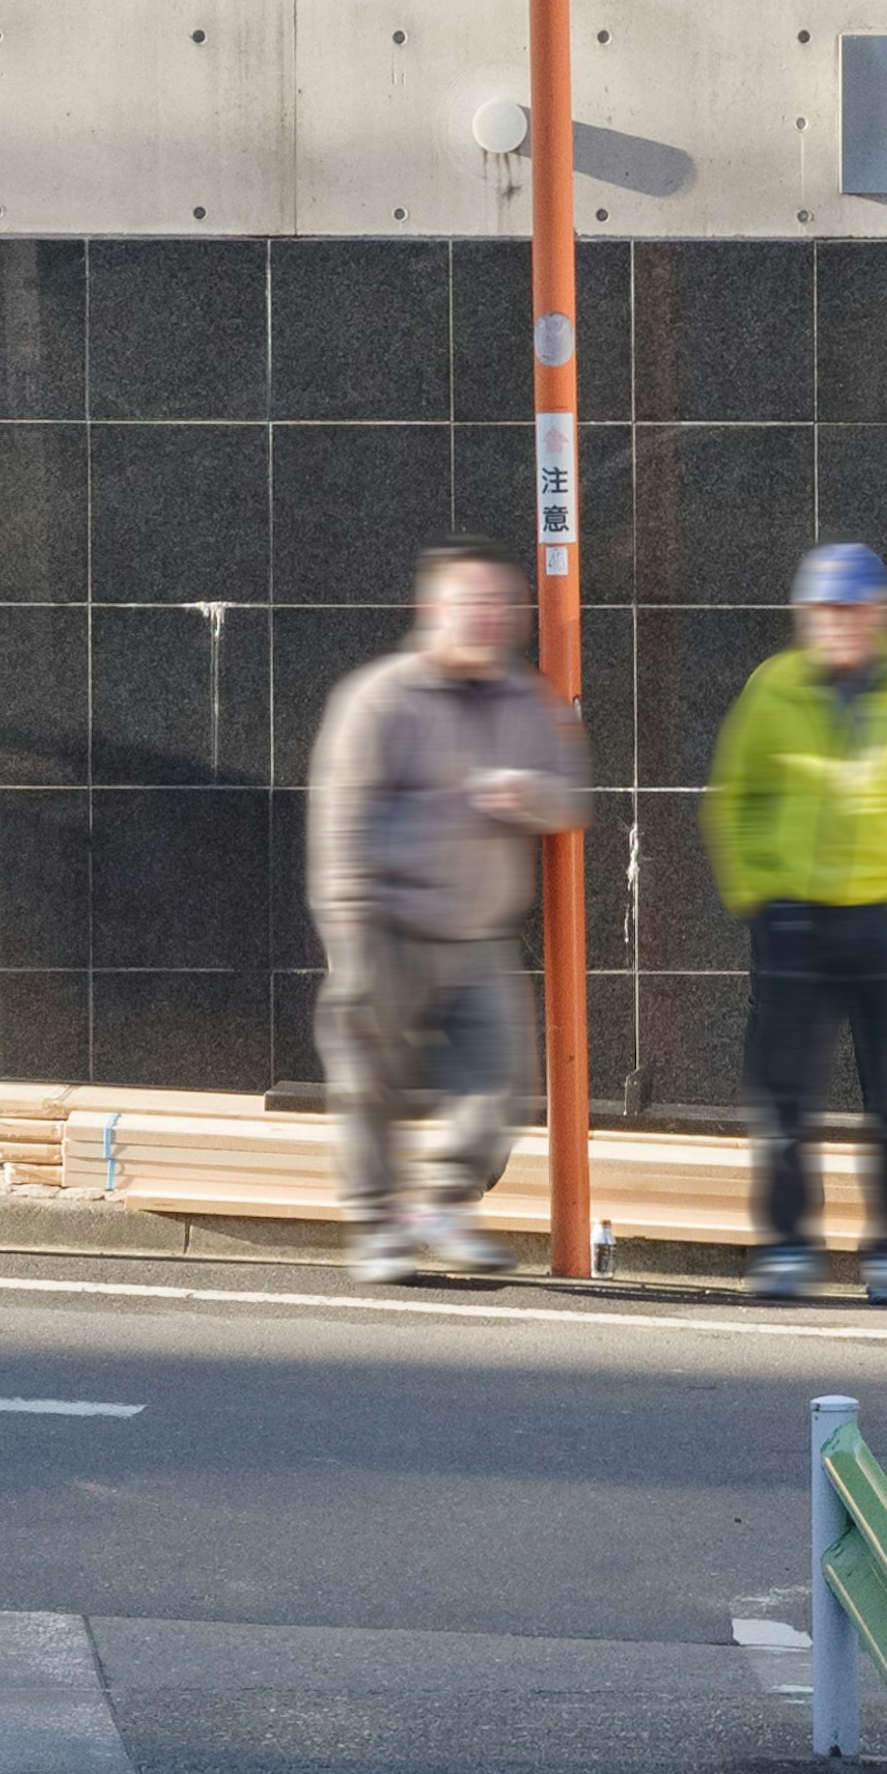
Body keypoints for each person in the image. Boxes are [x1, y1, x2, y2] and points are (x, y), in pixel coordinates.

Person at [704, 541, 887, 1307]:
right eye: (822, 612)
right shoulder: (775, 688)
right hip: (793, 920)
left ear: (882, 614)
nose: (837, 627)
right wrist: (759, 893)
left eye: (851, 610)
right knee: (785, 1095)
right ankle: (790, 1244)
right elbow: (735, 797)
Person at [306, 550, 590, 1287]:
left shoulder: (526, 701)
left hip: (480, 933)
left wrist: (530, 795)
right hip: (386, 924)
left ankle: (445, 1205)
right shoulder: (381, 699)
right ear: (434, 610)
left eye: (503, 605)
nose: (490, 617)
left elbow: (572, 798)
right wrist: (347, 928)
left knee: (499, 1081)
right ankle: (380, 1226)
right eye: (473, 602)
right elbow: (340, 817)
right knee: (369, 1079)